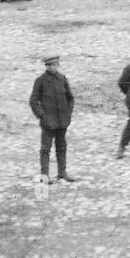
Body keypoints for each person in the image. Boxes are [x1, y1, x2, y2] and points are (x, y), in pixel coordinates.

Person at [29, 55, 76, 184]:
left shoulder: (62, 79)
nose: (52, 67)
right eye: (50, 65)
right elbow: (33, 101)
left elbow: (70, 98)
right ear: (46, 66)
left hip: (62, 121)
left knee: (62, 147)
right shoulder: (40, 80)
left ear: (58, 65)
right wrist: (42, 116)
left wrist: (68, 112)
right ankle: (45, 175)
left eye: (55, 65)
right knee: (45, 149)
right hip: (48, 123)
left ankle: (62, 173)